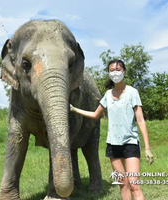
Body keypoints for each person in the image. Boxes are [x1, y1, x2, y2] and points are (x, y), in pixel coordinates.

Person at [70, 59, 153, 200]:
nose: (115, 72)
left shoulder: (133, 92)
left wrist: (147, 148)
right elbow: (95, 115)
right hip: (113, 145)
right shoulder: (108, 95)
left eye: (118, 69)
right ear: (109, 73)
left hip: (130, 144)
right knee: (122, 184)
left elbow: (140, 120)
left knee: (134, 185)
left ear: (124, 71)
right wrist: (74, 109)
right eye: (112, 70)